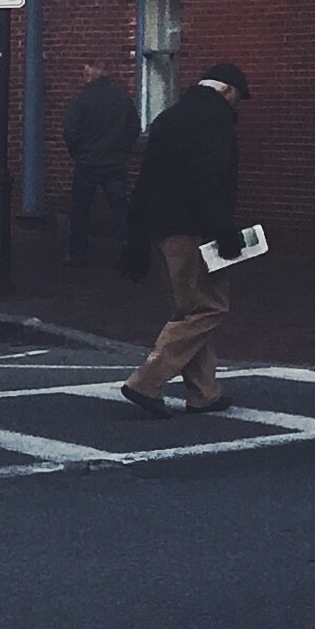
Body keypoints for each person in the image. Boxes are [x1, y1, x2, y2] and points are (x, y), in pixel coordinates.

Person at [118, 63, 252, 419]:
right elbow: (208, 179)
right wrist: (223, 228)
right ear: (226, 90)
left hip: (159, 228)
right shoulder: (215, 120)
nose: (237, 107)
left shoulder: (169, 117)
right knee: (208, 308)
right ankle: (147, 381)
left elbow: (145, 179)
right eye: (238, 98)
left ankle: (204, 392)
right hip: (193, 228)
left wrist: (136, 233)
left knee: (188, 309)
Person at [57, 60, 139, 265]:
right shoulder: (122, 99)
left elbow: (70, 130)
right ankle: (128, 249)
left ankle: (77, 252)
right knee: (120, 207)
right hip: (114, 161)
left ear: (90, 76)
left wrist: (78, 152)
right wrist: (122, 149)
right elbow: (134, 128)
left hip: (87, 162)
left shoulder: (81, 101)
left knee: (80, 208)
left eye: (85, 73)